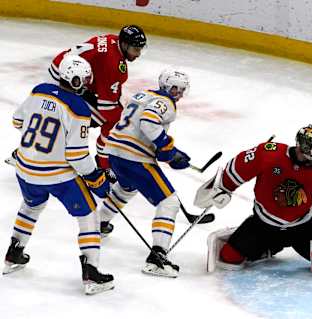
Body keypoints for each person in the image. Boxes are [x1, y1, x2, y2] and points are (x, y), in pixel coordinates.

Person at [3, 55, 113, 295]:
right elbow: (76, 156)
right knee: (89, 213)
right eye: (83, 79)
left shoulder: (39, 90)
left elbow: (17, 121)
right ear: (74, 80)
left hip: (24, 170)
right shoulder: (78, 108)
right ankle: (91, 272)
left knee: (31, 206)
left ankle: (13, 253)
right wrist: (95, 177)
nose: (86, 83)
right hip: (56, 176)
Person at [194, 125, 312, 271]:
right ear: (303, 146)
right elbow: (240, 166)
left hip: (303, 228)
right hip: (263, 225)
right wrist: (222, 187)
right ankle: (270, 246)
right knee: (228, 258)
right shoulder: (269, 153)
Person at [97, 69, 191, 278]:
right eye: (175, 88)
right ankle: (157, 258)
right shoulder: (165, 103)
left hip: (114, 152)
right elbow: (148, 122)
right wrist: (168, 149)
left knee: (126, 188)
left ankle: (99, 223)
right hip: (134, 158)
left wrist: (168, 151)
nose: (179, 93)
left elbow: (137, 127)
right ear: (166, 86)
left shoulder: (142, 94)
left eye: (182, 90)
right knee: (169, 202)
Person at [49, 25, 147, 172]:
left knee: (60, 118)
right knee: (111, 122)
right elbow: (106, 108)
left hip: (65, 72)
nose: (138, 54)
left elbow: (102, 79)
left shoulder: (114, 41)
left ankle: (32, 148)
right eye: (136, 49)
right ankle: (105, 166)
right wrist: (128, 122)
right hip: (65, 79)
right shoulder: (113, 64)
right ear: (125, 45)